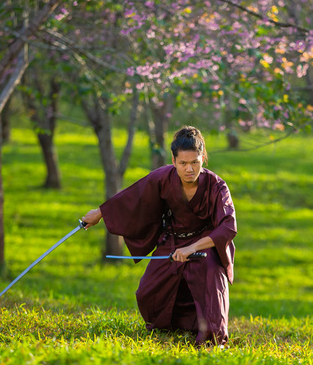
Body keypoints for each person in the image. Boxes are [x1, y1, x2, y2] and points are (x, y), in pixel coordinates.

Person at [81, 126, 237, 346]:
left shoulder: (217, 186)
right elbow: (134, 196)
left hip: (205, 244)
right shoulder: (164, 177)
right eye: (183, 163)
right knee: (147, 294)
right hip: (173, 240)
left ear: (203, 158)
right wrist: (99, 214)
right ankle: (175, 324)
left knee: (210, 281)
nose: (189, 169)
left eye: (195, 162)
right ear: (173, 161)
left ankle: (210, 334)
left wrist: (192, 248)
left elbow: (227, 227)